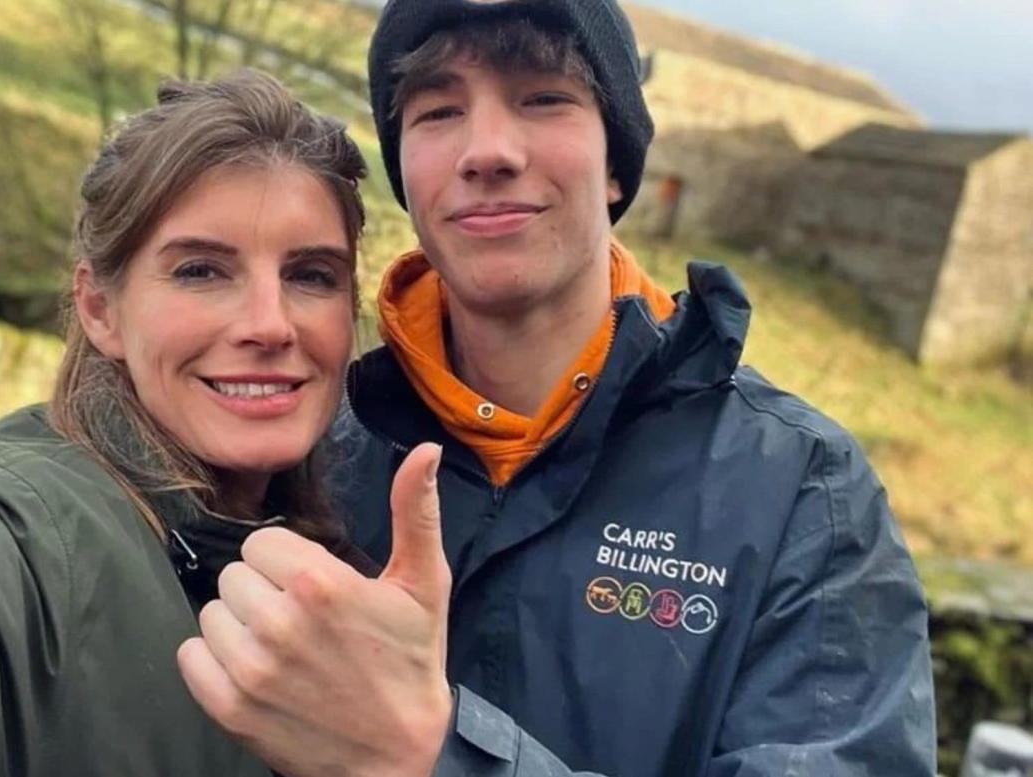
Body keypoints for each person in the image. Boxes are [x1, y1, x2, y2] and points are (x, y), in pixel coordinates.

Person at [176, 1, 938, 775]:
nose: (489, 150)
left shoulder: (801, 490)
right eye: (439, 111)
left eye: (544, 98)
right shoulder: (313, 443)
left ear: (616, 164)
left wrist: (427, 757)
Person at [0, 69, 415, 776]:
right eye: (201, 271)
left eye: (310, 275)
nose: (269, 324)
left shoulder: (336, 542)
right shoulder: (9, 531)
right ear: (100, 308)